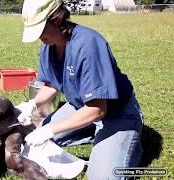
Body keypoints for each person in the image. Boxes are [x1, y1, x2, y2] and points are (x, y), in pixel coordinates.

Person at [15, 0, 143, 179]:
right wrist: (32, 104)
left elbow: (97, 108)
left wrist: (50, 129)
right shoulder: (48, 46)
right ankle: (91, 131)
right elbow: (52, 84)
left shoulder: (89, 44)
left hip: (116, 112)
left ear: (56, 19)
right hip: (80, 106)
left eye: (41, 28)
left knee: (102, 176)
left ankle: (127, 139)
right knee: (36, 139)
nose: (39, 36)